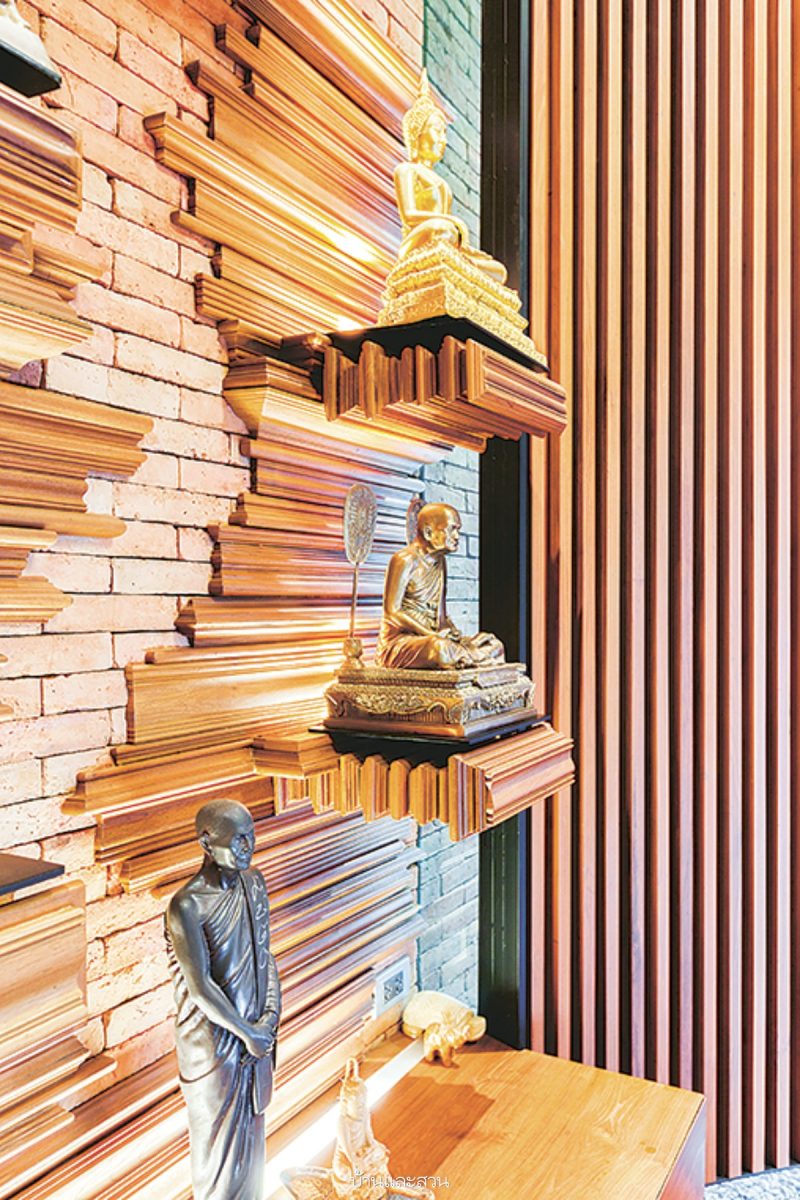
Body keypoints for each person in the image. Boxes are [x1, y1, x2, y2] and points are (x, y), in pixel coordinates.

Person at [165, 799, 281, 1200]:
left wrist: (269, 1019)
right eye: (237, 840)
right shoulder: (187, 905)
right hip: (212, 1046)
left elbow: (265, 955)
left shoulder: (254, 884)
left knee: (253, 1140)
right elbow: (200, 987)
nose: (248, 848)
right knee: (217, 1155)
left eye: (251, 837)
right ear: (206, 842)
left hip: (255, 1036)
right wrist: (247, 1032)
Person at [394, 70, 507, 285]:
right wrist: (452, 221)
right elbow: (409, 216)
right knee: (441, 229)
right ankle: (454, 265)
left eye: (444, 133)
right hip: (421, 239)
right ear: (418, 133)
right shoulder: (407, 170)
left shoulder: (441, 182)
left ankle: (459, 267)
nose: (443, 140)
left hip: (447, 240)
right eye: (437, 131)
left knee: (498, 272)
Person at [376, 502, 505, 670]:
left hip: (433, 637)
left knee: (493, 643)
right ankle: (470, 657)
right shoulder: (404, 560)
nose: (457, 536)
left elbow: (441, 616)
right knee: (439, 649)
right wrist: (431, 634)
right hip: (401, 643)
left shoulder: (440, 562)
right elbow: (392, 612)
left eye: (458, 530)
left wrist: (454, 634)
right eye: (452, 529)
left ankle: (467, 656)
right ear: (428, 533)